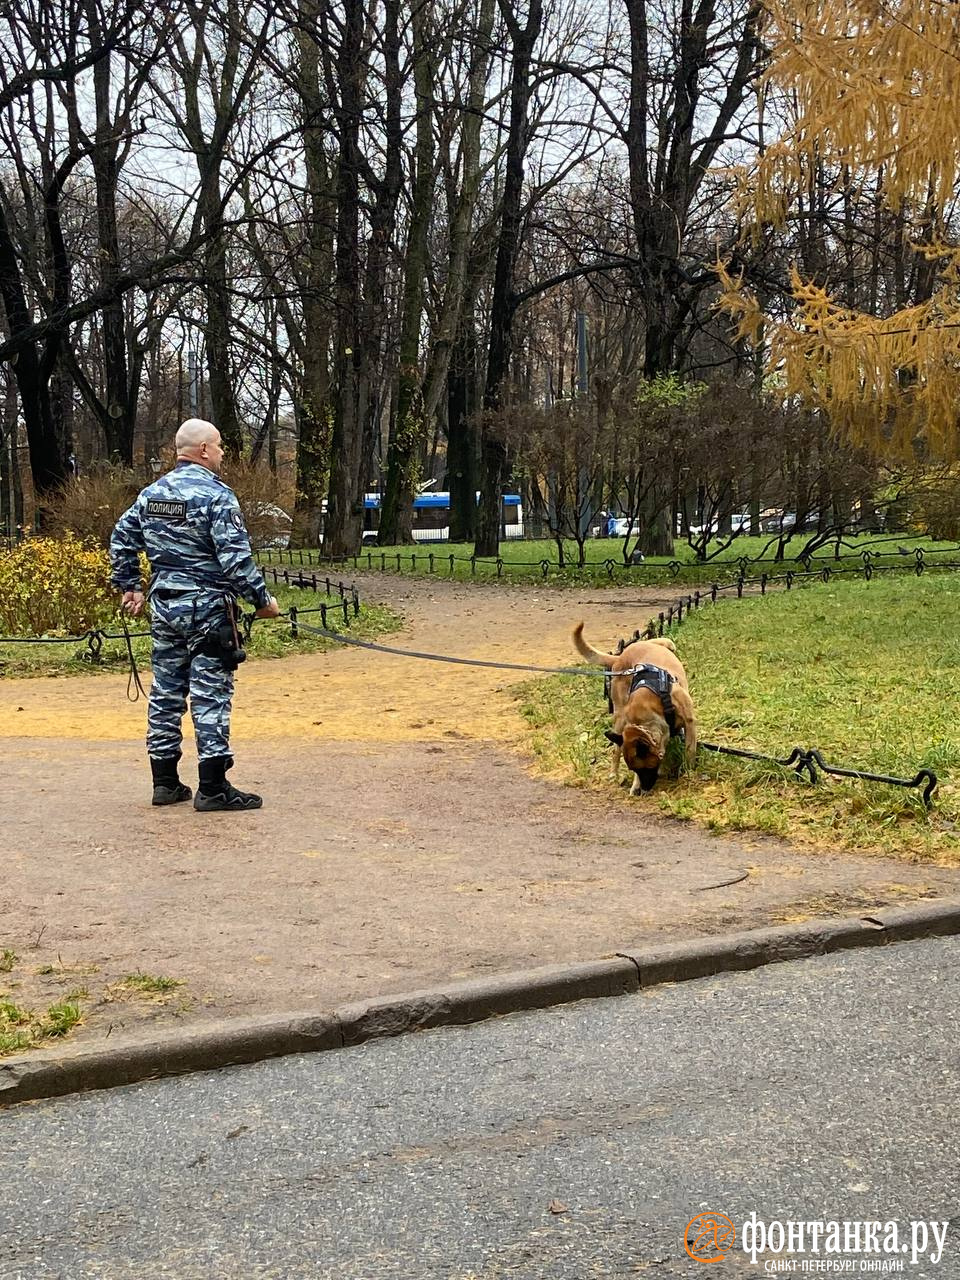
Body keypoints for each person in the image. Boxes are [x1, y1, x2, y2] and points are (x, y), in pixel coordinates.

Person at [110, 418, 280, 812]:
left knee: (166, 693)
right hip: (207, 612)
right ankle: (214, 787)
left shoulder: (152, 495)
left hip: (165, 607)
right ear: (203, 449)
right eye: (219, 446)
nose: (222, 453)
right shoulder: (216, 495)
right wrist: (262, 601)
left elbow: (121, 539)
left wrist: (131, 586)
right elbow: (236, 561)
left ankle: (165, 783)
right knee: (211, 694)